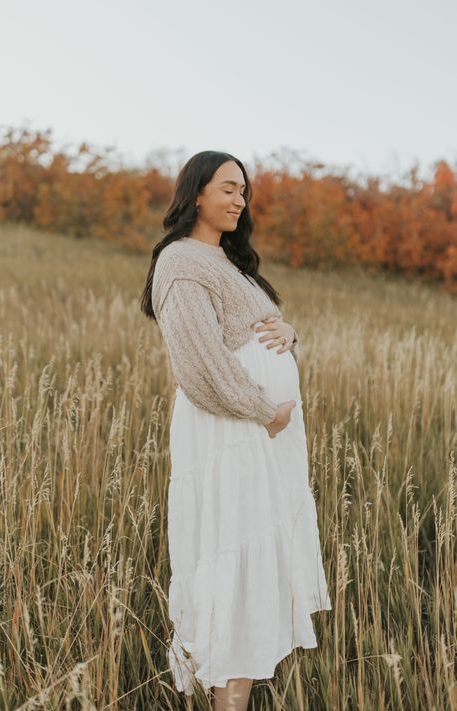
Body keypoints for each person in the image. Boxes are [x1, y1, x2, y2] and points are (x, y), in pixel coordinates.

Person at [140, 151, 332, 711]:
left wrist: (290, 334)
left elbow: (262, 333)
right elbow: (199, 365)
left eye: (243, 192)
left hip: (255, 439)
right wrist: (265, 409)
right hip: (231, 435)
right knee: (235, 569)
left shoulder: (230, 264)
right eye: (227, 188)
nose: (237, 200)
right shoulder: (182, 262)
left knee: (253, 575)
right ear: (195, 193)